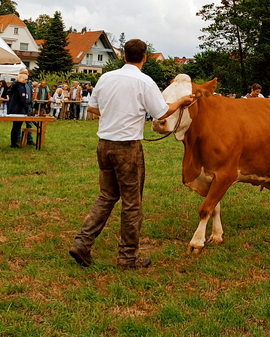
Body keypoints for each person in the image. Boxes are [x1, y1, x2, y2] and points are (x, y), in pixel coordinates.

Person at [69, 39, 195, 270]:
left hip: (104, 145)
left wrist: (114, 114)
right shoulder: (144, 81)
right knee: (131, 204)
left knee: (106, 196)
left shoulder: (106, 78)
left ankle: (82, 243)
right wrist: (182, 102)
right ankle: (128, 258)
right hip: (127, 148)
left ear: (124, 56)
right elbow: (162, 112)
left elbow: (93, 107)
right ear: (144, 58)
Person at [7, 73, 31, 147]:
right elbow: (22, 99)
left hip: (14, 109)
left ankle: (13, 142)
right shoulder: (21, 88)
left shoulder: (15, 86)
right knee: (17, 127)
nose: (27, 81)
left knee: (15, 127)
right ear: (23, 79)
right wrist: (27, 107)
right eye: (26, 79)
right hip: (19, 110)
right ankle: (13, 143)